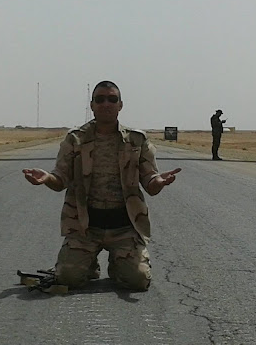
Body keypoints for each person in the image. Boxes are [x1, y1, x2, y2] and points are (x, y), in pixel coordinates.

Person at [22, 80, 181, 291]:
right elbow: (60, 180)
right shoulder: (75, 139)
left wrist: (159, 181)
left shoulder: (136, 140)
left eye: (112, 99)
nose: (106, 104)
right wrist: (47, 178)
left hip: (124, 226)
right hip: (85, 228)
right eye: (100, 99)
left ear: (120, 105)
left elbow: (150, 183)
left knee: (137, 280)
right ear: (92, 105)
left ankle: (119, 263)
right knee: (68, 278)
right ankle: (88, 265)